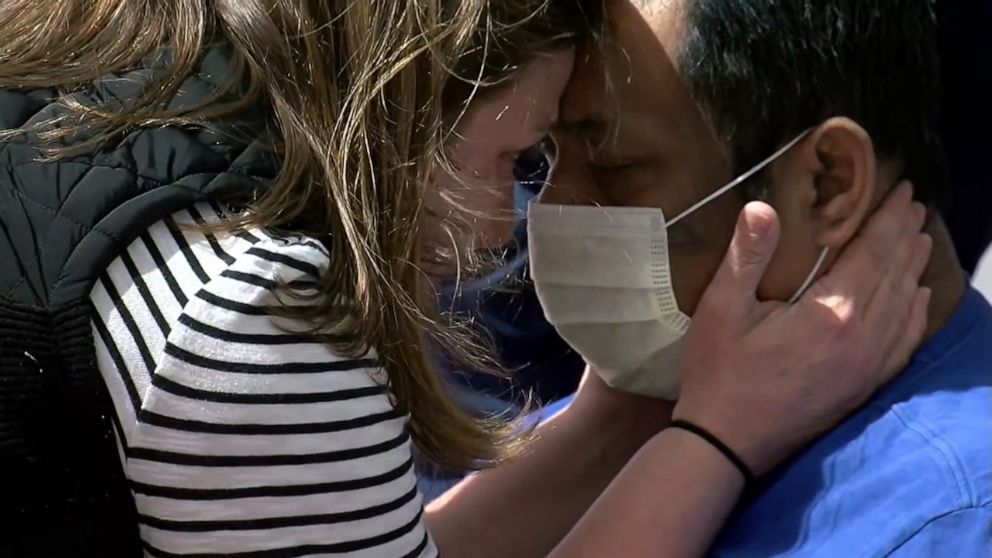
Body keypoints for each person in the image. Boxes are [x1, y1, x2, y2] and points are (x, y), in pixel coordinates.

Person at [0, 0, 928, 556]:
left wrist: (616, 425)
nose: (505, 231)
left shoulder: (109, 96)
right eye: (516, 156)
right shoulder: (254, 312)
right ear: (400, 96)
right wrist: (718, 442)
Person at [536, 0, 991, 555]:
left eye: (614, 167)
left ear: (827, 182)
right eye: (542, 158)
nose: (554, 205)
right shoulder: (634, 412)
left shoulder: (948, 523)